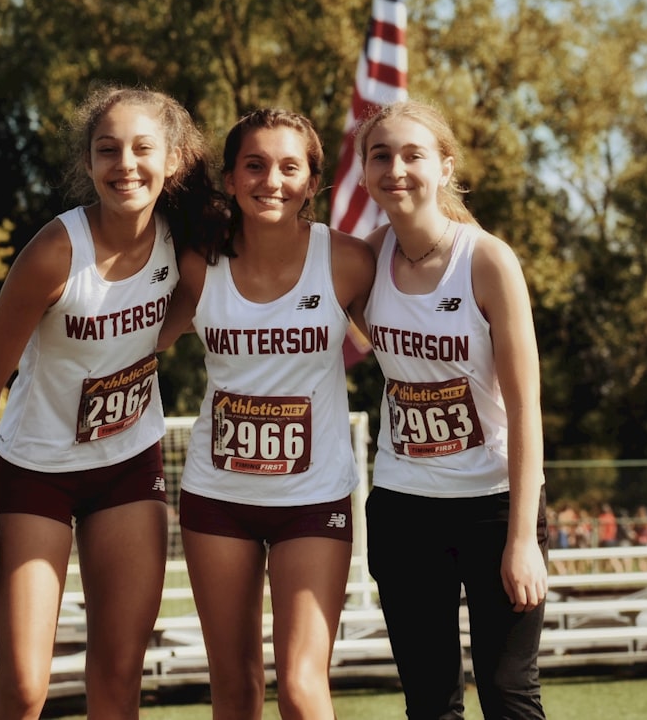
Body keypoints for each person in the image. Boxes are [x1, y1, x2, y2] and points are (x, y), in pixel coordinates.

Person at [0, 85, 224, 720]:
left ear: (174, 159)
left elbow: (190, 315)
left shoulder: (179, 242)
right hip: (34, 476)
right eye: (108, 150)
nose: (125, 164)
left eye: (142, 149)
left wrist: (154, 344)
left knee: (120, 677)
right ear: (90, 162)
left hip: (128, 469)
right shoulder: (54, 252)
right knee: (22, 688)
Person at [157, 108, 374, 720]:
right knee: (235, 687)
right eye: (254, 165)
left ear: (312, 181)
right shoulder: (199, 264)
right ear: (230, 178)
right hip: (216, 498)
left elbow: (410, 347)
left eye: (288, 167)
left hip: (313, 499)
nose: (270, 180)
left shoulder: (348, 262)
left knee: (303, 690)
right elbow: (138, 342)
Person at [351, 100, 548, 719]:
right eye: (380, 155)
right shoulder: (366, 258)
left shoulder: (487, 260)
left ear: (444, 167)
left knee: (508, 693)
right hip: (403, 508)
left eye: (413, 154)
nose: (396, 168)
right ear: (363, 172)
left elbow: (525, 405)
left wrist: (522, 539)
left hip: (493, 507)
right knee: (430, 704)